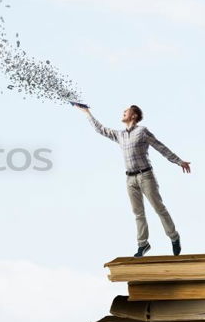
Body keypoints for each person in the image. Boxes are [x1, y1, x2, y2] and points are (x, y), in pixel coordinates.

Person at [75, 104, 191, 257]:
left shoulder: (142, 132)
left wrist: (178, 161)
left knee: (159, 208)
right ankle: (143, 244)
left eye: (126, 111)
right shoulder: (120, 135)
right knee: (138, 213)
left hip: (146, 176)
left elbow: (160, 147)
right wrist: (87, 113)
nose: (123, 112)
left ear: (134, 115)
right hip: (130, 179)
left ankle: (174, 237)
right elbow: (100, 129)